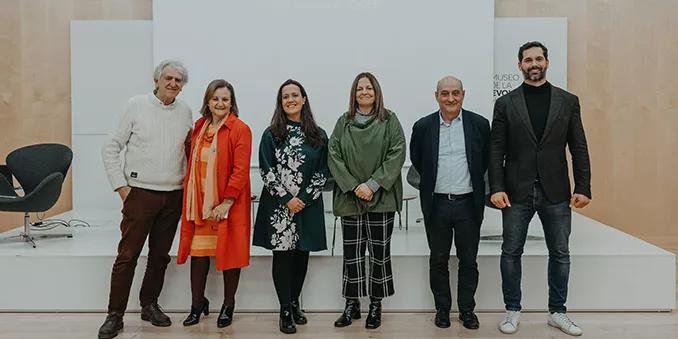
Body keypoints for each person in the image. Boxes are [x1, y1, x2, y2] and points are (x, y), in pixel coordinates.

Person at [489, 41, 591, 336]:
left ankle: (557, 311)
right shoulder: (506, 104)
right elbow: (496, 151)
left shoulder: (568, 101)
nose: (533, 64)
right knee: (511, 252)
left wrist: (584, 186)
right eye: (527, 60)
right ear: (519, 65)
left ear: (546, 62)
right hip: (516, 191)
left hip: (556, 190)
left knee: (560, 252)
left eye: (538, 58)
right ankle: (512, 310)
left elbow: (579, 147)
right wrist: (496, 187)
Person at [98, 60, 193, 339]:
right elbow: (111, 147)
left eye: (178, 80)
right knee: (127, 256)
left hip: (173, 195)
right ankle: (114, 315)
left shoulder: (185, 111)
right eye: (168, 78)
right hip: (140, 193)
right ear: (156, 80)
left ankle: (149, 305)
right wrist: (122, 188)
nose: (173, 84)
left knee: (160, 257)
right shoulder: (135, 105)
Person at [410, 76, 490, 329]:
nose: (450, 98)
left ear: (463, 94)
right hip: (438, 204)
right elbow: (418, 161)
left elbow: (485, 161)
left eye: (455, 93)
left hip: (468, 204)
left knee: (469, 261)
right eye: (445, 94)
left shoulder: (479, 124)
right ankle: (442, 309)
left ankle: (467, 310)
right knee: (438, 259)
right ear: (436, 97)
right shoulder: (423, 127)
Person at [328, 72, 406, 330]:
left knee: (379, 255)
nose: (364, 92)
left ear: (376, 92)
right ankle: (352, 304)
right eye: (359, 88)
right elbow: (334, 156)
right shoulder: (343, 123)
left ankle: (375, 304)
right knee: (352, 255)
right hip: (351, 199)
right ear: (354, 93)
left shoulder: (390, 121)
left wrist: (372, 185)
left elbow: (396, 153)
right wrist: (353, 186)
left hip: (380, 198)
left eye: (368, 88)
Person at [253, 79, 329, 334]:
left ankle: (295, 301)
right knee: (283, 257)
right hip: (279, 207)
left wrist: (304, 199)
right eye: (285, 96)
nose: (290, 100)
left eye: (295, 95)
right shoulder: (271, 134)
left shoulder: (318, 135)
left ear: (304, 99)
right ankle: (285, 309)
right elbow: (266, 170)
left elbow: (322, 172)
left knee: (302, 255)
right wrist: (287, 199)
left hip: (307, 206)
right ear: (280, 102)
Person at [176, 79, 252, 329]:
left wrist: (226, 202)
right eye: (216, 98)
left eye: (225, 99)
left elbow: (240, 171)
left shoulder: (240, 129)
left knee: (230, 256)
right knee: (198, 256)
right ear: (208, 101)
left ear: (232, 103)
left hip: (226, 206)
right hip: (199, 204)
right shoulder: (199, 127)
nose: (220, 103)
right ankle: (197, 304)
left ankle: (228, 305)